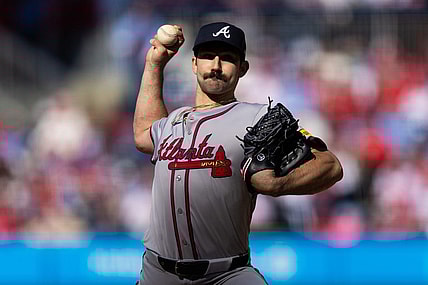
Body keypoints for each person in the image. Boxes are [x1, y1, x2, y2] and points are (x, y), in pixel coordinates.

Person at [133, 22, 343, 285]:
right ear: (194, 64)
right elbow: (143, 134)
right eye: (208, 57)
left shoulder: (258, 118)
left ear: (243, 68)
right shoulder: (174, 120)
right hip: (159, 274)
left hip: (226, 274)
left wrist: (278, 183)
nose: (216, 66)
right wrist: (155, 64)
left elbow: (331, 165)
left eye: (228, 58)